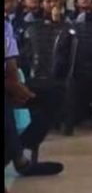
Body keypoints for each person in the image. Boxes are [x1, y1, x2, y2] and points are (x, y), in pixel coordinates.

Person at [5, 16, 64, 177]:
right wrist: (12, 86)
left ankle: (18, 147)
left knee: (54, 95)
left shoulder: (5, 25)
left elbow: (9, 62)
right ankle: (20, 161)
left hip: (7, 82)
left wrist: (17, 86)